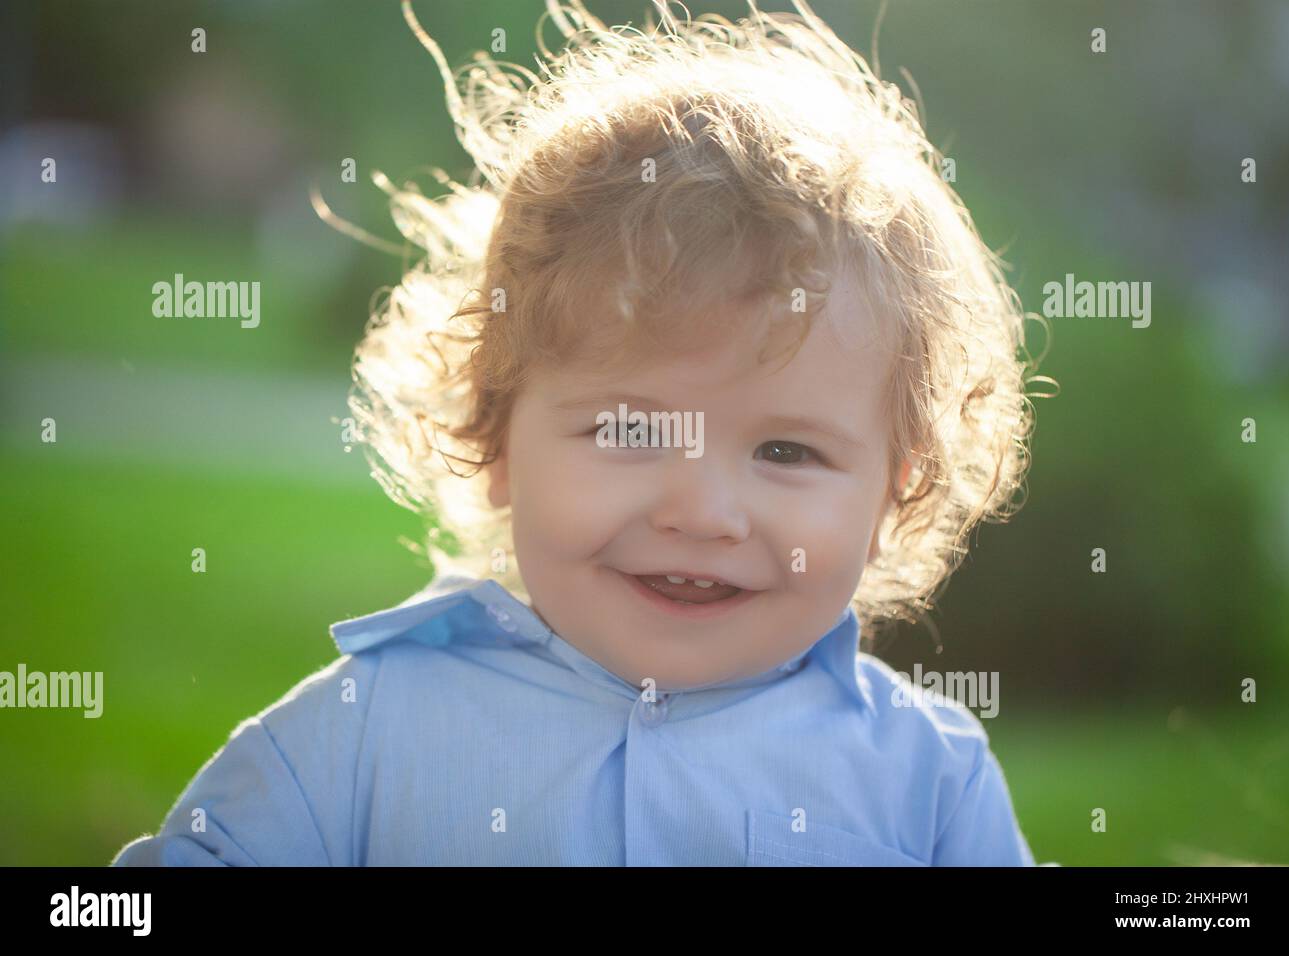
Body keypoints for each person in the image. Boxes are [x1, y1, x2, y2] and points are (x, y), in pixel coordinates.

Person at [113, 0, 1041, 866]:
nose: (704, 511)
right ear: (496, 429)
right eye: (631, 431)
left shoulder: (927, 788)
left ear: (895, 491)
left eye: (786, 452)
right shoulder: (363, 736)